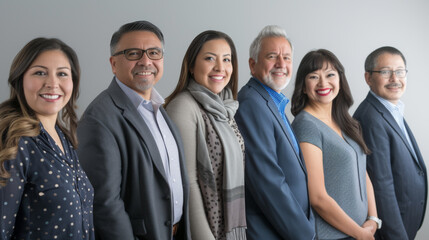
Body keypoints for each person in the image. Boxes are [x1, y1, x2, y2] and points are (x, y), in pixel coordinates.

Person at [77, 20, 190, 240]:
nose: (146, 61)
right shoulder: (98, 119)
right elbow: (104, 204)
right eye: (133, 54)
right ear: (113, 63)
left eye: (154, 53)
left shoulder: (159, 108)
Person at [0, 38, 94, 239]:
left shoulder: (64, 138)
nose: (52, 83)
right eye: (40, 73)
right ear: (20, 79)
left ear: (73, 82)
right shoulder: (15, 141)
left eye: (62, 74)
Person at [234, 25, 315, 240]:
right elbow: (267, 182)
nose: (281, 64)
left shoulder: (272, 103)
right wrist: (305, 234)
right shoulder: (251, 104)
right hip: (270, 232)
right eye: (272, 56)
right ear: (253, 65)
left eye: (287, 58)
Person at [165, 30, 246, 240]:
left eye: (226, 60)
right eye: (210, 58)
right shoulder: (183, 107)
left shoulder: (226, 107)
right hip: (205, 231)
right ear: (191, 66)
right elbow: (188, 182)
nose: (220, 67)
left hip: (227, 229)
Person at [291, 49, 378, 240]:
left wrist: (373, 218)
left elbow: (363, 172)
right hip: (335, 236)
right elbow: (317, 197)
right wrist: (360, 234)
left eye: (330, 74)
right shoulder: (306, 125)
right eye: (314, 77)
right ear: (304, 87)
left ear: (339, 80)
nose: (323, 83)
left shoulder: (346, 122)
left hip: (361, 231)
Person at [353, 46, 427, 240]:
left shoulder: (390, 109)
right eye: (385, 72)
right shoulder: (371, 118)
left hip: (405, 222)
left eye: (400, 71)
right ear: (368, 78)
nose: (395, 79)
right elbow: (381, 186)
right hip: (392, 231)